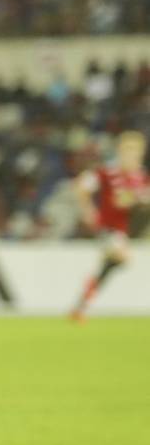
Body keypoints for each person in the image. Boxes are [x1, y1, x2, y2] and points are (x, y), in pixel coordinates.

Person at [71, 130, 148, 322]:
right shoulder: (106, 173)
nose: (131, 157)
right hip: (108, 228)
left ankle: (82, 305)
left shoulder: (141, 177)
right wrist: (88, 210)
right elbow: (81, 186)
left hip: (128, 230)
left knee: (110, 265)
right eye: (127, 152)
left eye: (135, 153)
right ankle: (83, 303)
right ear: (120, 152)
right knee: (121, 257)